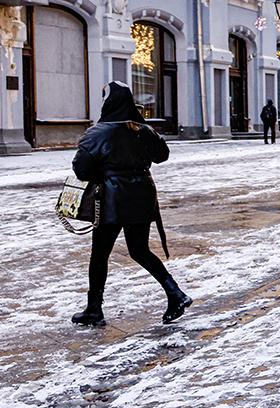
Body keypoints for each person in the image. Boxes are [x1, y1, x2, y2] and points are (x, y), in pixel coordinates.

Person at [70, 81, 191, 327]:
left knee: (100, 254)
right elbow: (162, 156)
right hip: (142, 198)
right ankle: (175, 293)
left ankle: (94, 309)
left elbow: (81, 170)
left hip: (111, 201)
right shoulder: (143, 130)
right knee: (139, 249)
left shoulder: (97, 133)